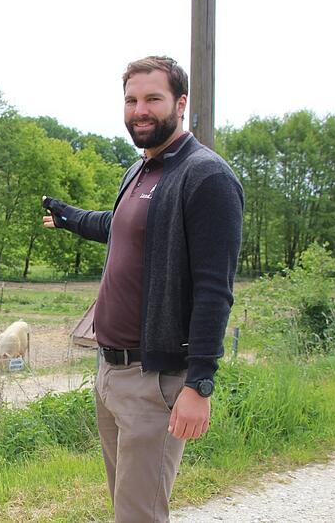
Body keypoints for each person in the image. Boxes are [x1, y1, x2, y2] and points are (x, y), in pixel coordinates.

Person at [42, 56, 243, 522]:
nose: (140, 110)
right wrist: (71, 218)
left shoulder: (206, 176)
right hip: (112, 372)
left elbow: (216, 290)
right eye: (131, 100)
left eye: (153, 98)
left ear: (181, 102)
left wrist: (200, 383)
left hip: (156, 379)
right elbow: (121, 227)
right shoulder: (141, 170)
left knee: (139, 516)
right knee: (128, 509)